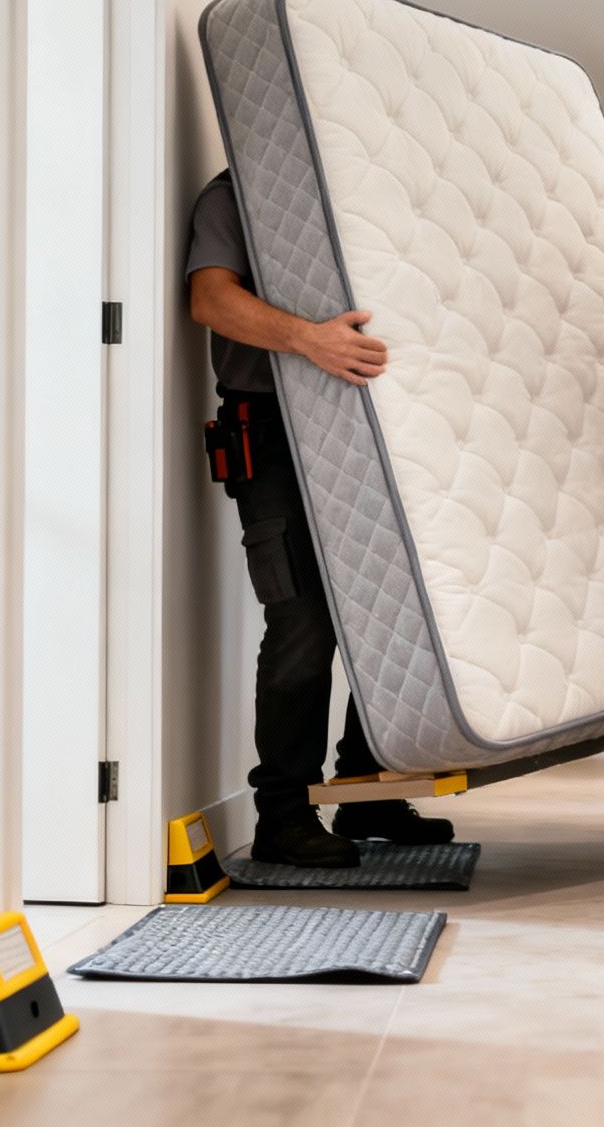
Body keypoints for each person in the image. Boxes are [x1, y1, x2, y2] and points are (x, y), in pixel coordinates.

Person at [186, 169, 453, 866]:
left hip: (374, 428)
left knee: (391, 617)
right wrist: (309, 339)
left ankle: (369, 792)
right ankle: (283, 815)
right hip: (272, 434)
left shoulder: (366, 186)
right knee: (303, 625)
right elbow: (211, 299)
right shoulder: (235, 194)